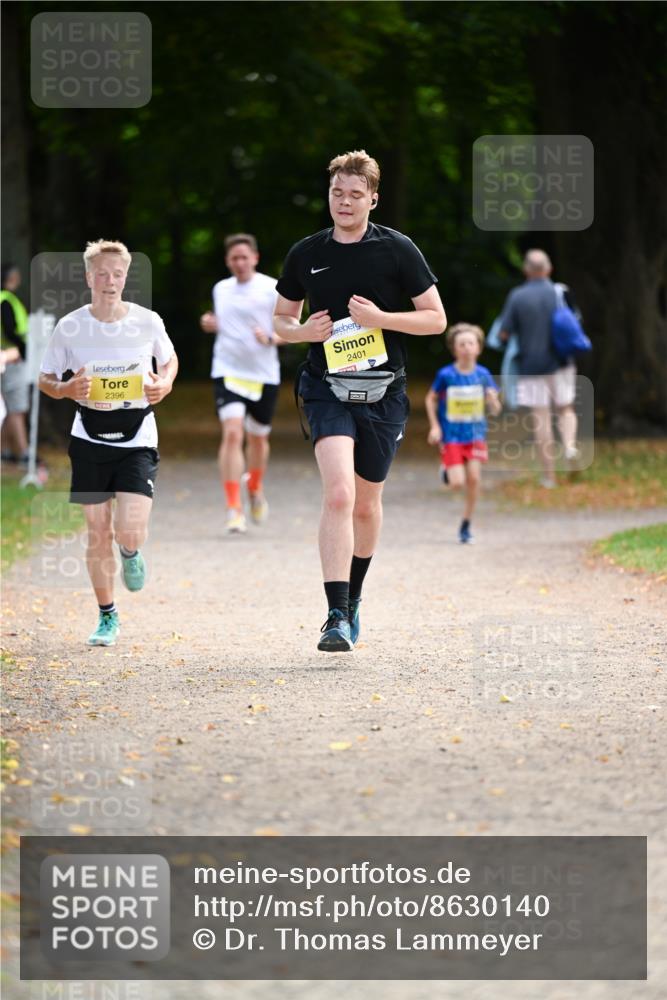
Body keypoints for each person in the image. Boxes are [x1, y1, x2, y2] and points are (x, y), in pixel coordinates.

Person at [274, 149, 446, 652]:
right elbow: (280, 321)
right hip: (326, 389)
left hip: (383, 393)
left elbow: (435, 319)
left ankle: (353, 602)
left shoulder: (397, 250)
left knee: (367, 504)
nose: (344, 203)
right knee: (339, 495)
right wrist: (302, 330)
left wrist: (383, 319)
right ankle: (333, 616)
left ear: (373, 198)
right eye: (336, 194)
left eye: (355, 195)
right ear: (328, 195)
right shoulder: (306, 253)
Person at [39, 240, 178, 646]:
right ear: (88, 277)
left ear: (126, 277)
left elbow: (168, 360)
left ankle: (131, 553)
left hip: (137, 435)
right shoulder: (70, 326)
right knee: (97, 531)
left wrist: (164, 384)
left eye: (118, 274)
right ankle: (107, 616)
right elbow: (46, 379)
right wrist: (67, 389)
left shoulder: (147, 321)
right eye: (102, 273)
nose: (110, 280)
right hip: (89, 436)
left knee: (128, 532)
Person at [200, 234, 283, 534]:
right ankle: (234, 508)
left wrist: (273, 338)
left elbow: (294, 328)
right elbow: (221, 321)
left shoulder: (272, 288)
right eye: (234, 258)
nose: (239, 263)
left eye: (244, 257)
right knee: (233, 433)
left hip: (263, 374)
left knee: (258, 438)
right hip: (228, 370)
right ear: (227, 261)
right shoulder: (221, 289)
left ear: (255, 258)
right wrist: (210, 323)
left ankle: (255, 487)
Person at [500, 249, 580, 488]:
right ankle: (569, 447)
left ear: (526, 270)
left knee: (541, 419)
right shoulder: (561, 292)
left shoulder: (517, 296)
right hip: (561, 363)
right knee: (565, 408)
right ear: (549, 269)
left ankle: (549, 476)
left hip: (530, 366)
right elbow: (575, 323)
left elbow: (504, 333)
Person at [425, 323, 501, 544]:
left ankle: (466, 523)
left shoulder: (484, 375)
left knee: (474, 479)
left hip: (476, 435)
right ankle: (447, 472)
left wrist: (492, 399)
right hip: (452, 436)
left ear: (478, 347)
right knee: (457, 483)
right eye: (462, 344)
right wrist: (435, 426)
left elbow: (495, 409)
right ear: (454, 349)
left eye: (471, 343)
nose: (467, 348)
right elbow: (430, 398)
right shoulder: (446, 375)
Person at [1, 263, 30, 464]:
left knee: (9, 407)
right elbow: (10, 330)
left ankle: (3, 451)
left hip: (6, 359)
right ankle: (24, 453)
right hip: (12, 359)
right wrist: (24, 349)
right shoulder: (6, 300)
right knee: (16, 408)